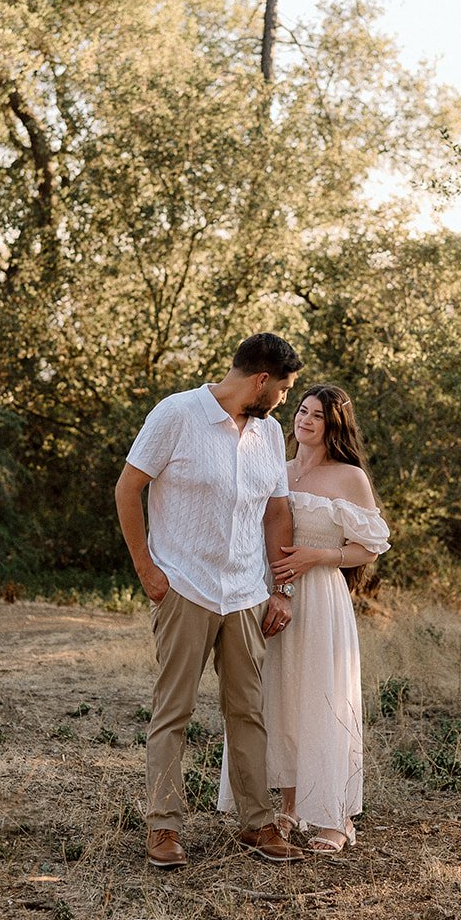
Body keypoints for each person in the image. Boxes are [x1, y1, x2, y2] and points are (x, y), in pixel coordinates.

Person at [114, 333, 309, 867]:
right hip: (185, 588)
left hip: (245, 594)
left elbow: (275, 513)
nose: (286, 402)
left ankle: (257, 824)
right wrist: (147, 570)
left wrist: (281, 587)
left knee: (248, 711)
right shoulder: (176, 414)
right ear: (262, 381)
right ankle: (163, 830)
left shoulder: (268, 434)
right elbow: (127, 489)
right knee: (172, 712)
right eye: (286, 389)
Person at [221, 383, 389, 853]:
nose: (305, 420)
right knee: (283, 698)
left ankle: (336, 817)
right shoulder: (280, 468)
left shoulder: (348, 477)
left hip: (322, 599)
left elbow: (370, 546)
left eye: (317, 415)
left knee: (323, 699)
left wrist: (319, 555)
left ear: (334, 425)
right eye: (301, 410)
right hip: (274, 595)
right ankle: (291, 808)